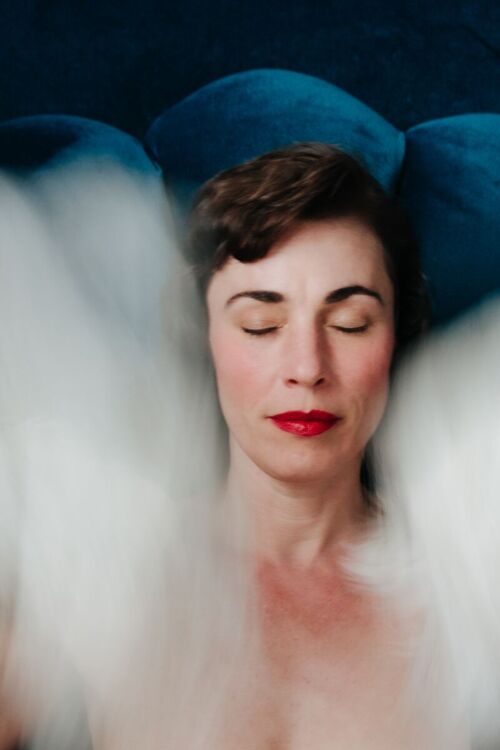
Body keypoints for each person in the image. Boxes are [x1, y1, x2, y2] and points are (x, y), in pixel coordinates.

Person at [0, 144, 499, 749]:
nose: (307, 368)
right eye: (260, 326)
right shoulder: (99, 569)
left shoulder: (464, 585)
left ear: (396, 338)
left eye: (350, 323)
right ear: (205, 338)